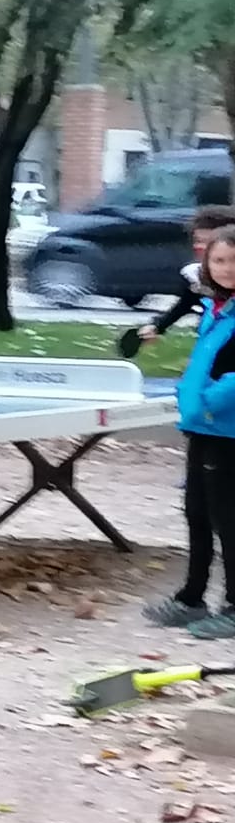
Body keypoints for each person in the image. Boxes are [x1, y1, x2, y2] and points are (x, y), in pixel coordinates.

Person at [160, 225, 235, 640]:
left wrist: (208, 400)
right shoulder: (215, 309)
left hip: (226, 430)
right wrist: (188, 394)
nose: (227, 268)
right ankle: (192, 597)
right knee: (196, 512)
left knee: (228, 519)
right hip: (201, 427)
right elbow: (205, 363)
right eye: (219, 260)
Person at [125, 204, 235, 359]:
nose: (200, 247)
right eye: (198, 240)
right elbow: (183, 306)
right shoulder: (196, 278)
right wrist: (156, 326)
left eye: (208, 241)